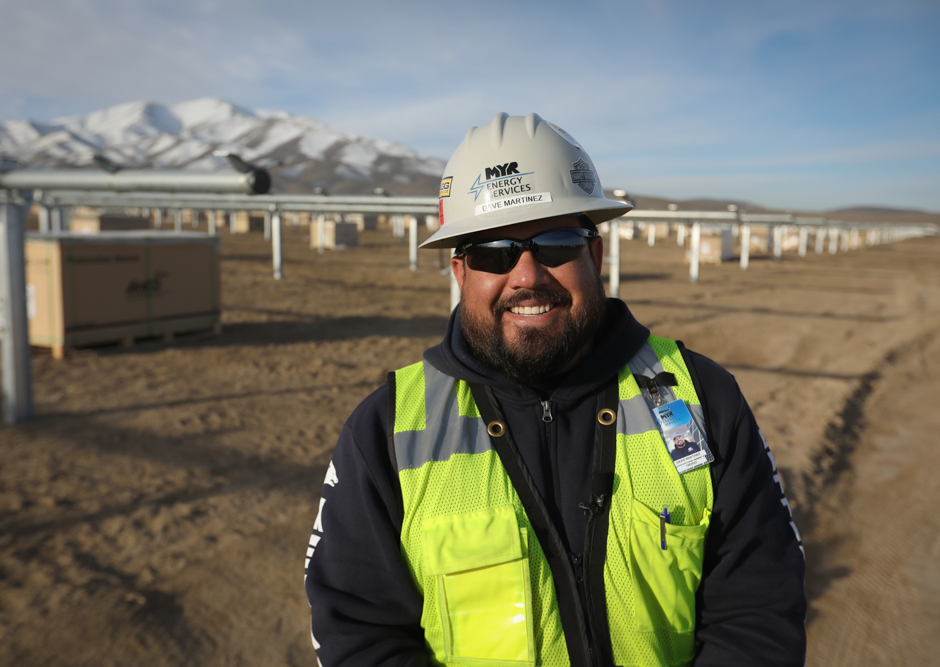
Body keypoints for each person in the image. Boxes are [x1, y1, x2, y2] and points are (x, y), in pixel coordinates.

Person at [304, 113, 806, 667]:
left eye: (556, 244)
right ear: (459, 272)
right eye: (494, 252)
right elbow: (359, 633)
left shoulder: (700, 396)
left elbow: (759, 608)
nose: (527, 275)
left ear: (594, 256)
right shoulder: (388, 433)